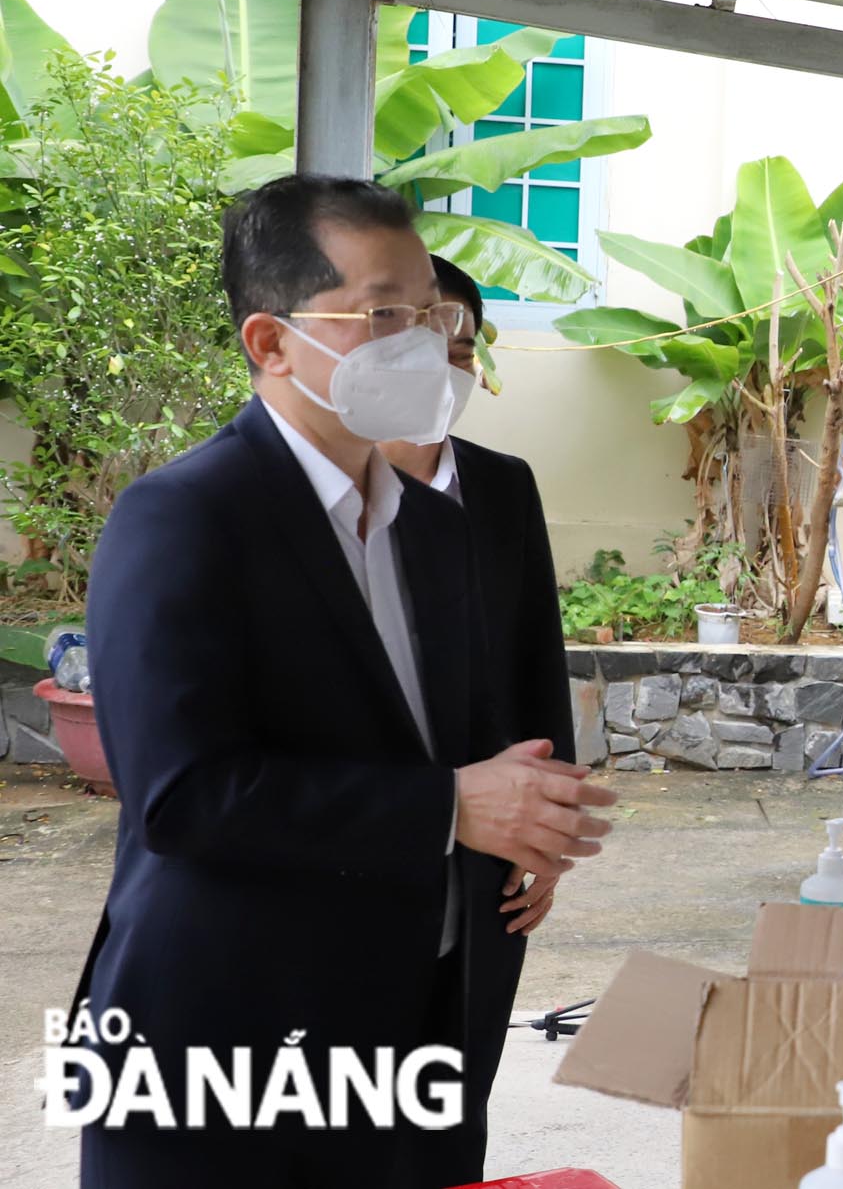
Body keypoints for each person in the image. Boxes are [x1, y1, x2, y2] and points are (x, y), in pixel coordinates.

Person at [75, 175, 618, 1189]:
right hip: (230, 1053)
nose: (418, 343)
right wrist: (453, 806)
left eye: (428, 313)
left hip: (420, 1030)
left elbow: (471, 733)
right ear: (270, 343)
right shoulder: (183, 517)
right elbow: (182, 795)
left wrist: (528, 814)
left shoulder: (435, 525)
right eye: (381, 314)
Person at [379, 254, 574, 1180]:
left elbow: (539, 662)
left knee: (458, 1093)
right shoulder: (316, 507)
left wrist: (551, 837)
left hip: (492, 867)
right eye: (419, 330)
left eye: (460, 334)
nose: (442, 353)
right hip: (370, 851)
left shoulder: (503, 485)